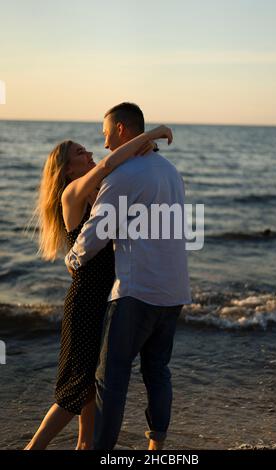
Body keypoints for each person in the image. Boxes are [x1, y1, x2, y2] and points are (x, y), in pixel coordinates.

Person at [24, 122, 172, 450]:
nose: (90, 152)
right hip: (84, 303)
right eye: (80, 152)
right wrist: (150, 134)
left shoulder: (98, 191)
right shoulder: (72, 194)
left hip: (105, 300)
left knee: (91, 383)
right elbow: (108, 163)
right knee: (73, 391)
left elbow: (122, 169)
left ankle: (85, 446)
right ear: (65, 169)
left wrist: (145, 149)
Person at [65, 102, 191, 450]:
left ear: (121, 130)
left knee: (111, 379)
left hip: (137, 292)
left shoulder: (123, 176)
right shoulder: (171, 171)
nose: (105, 145)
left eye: (106, 135)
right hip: (175, 290)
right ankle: (156, 447)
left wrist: (73, 258)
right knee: (157, 372)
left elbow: (96, 230)